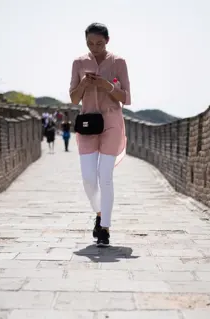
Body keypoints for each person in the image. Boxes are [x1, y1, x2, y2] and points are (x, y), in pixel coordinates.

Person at [69, 22, 131, 247]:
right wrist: (84, 84)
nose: (95, 47)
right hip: (88, 123)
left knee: (105, 177)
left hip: (112, 123)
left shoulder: (118, 62)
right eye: (90, 43)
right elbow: (74, 99)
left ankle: (104, 227)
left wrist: (107, 86)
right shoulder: (78, 62)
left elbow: (127, 97)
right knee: (88, 178)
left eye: (99, 43)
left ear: (107, 40)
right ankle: (99, 213)